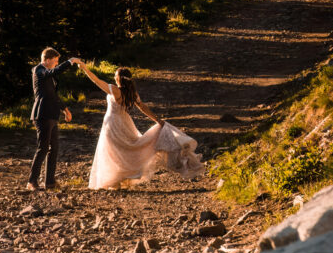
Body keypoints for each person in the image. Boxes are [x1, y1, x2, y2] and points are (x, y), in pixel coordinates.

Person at [77, 61, 204, 190]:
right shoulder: (132, 93)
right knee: (127, 149)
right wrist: (158, 120)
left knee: (113, 152)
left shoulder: (114, 90)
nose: (114, 78)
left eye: (115, 75)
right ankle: (120, 178)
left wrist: (85, 68)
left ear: (119, 78)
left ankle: (114, 180)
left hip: (112, 123)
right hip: (125, 123)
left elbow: (96, 80)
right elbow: (143, 107)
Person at [27, 47, 80, 191]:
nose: (56, 64)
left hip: (52, 114)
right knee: (43, 148)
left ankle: (49, 182)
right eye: (55, 61)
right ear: (47, 60)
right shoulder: (39, 70)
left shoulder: (48, 74)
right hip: (42, 114)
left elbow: (53, 95)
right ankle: (32, 181)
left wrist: (65, 109)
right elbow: (54, 71)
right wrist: (70, 62)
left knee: (54, 148)